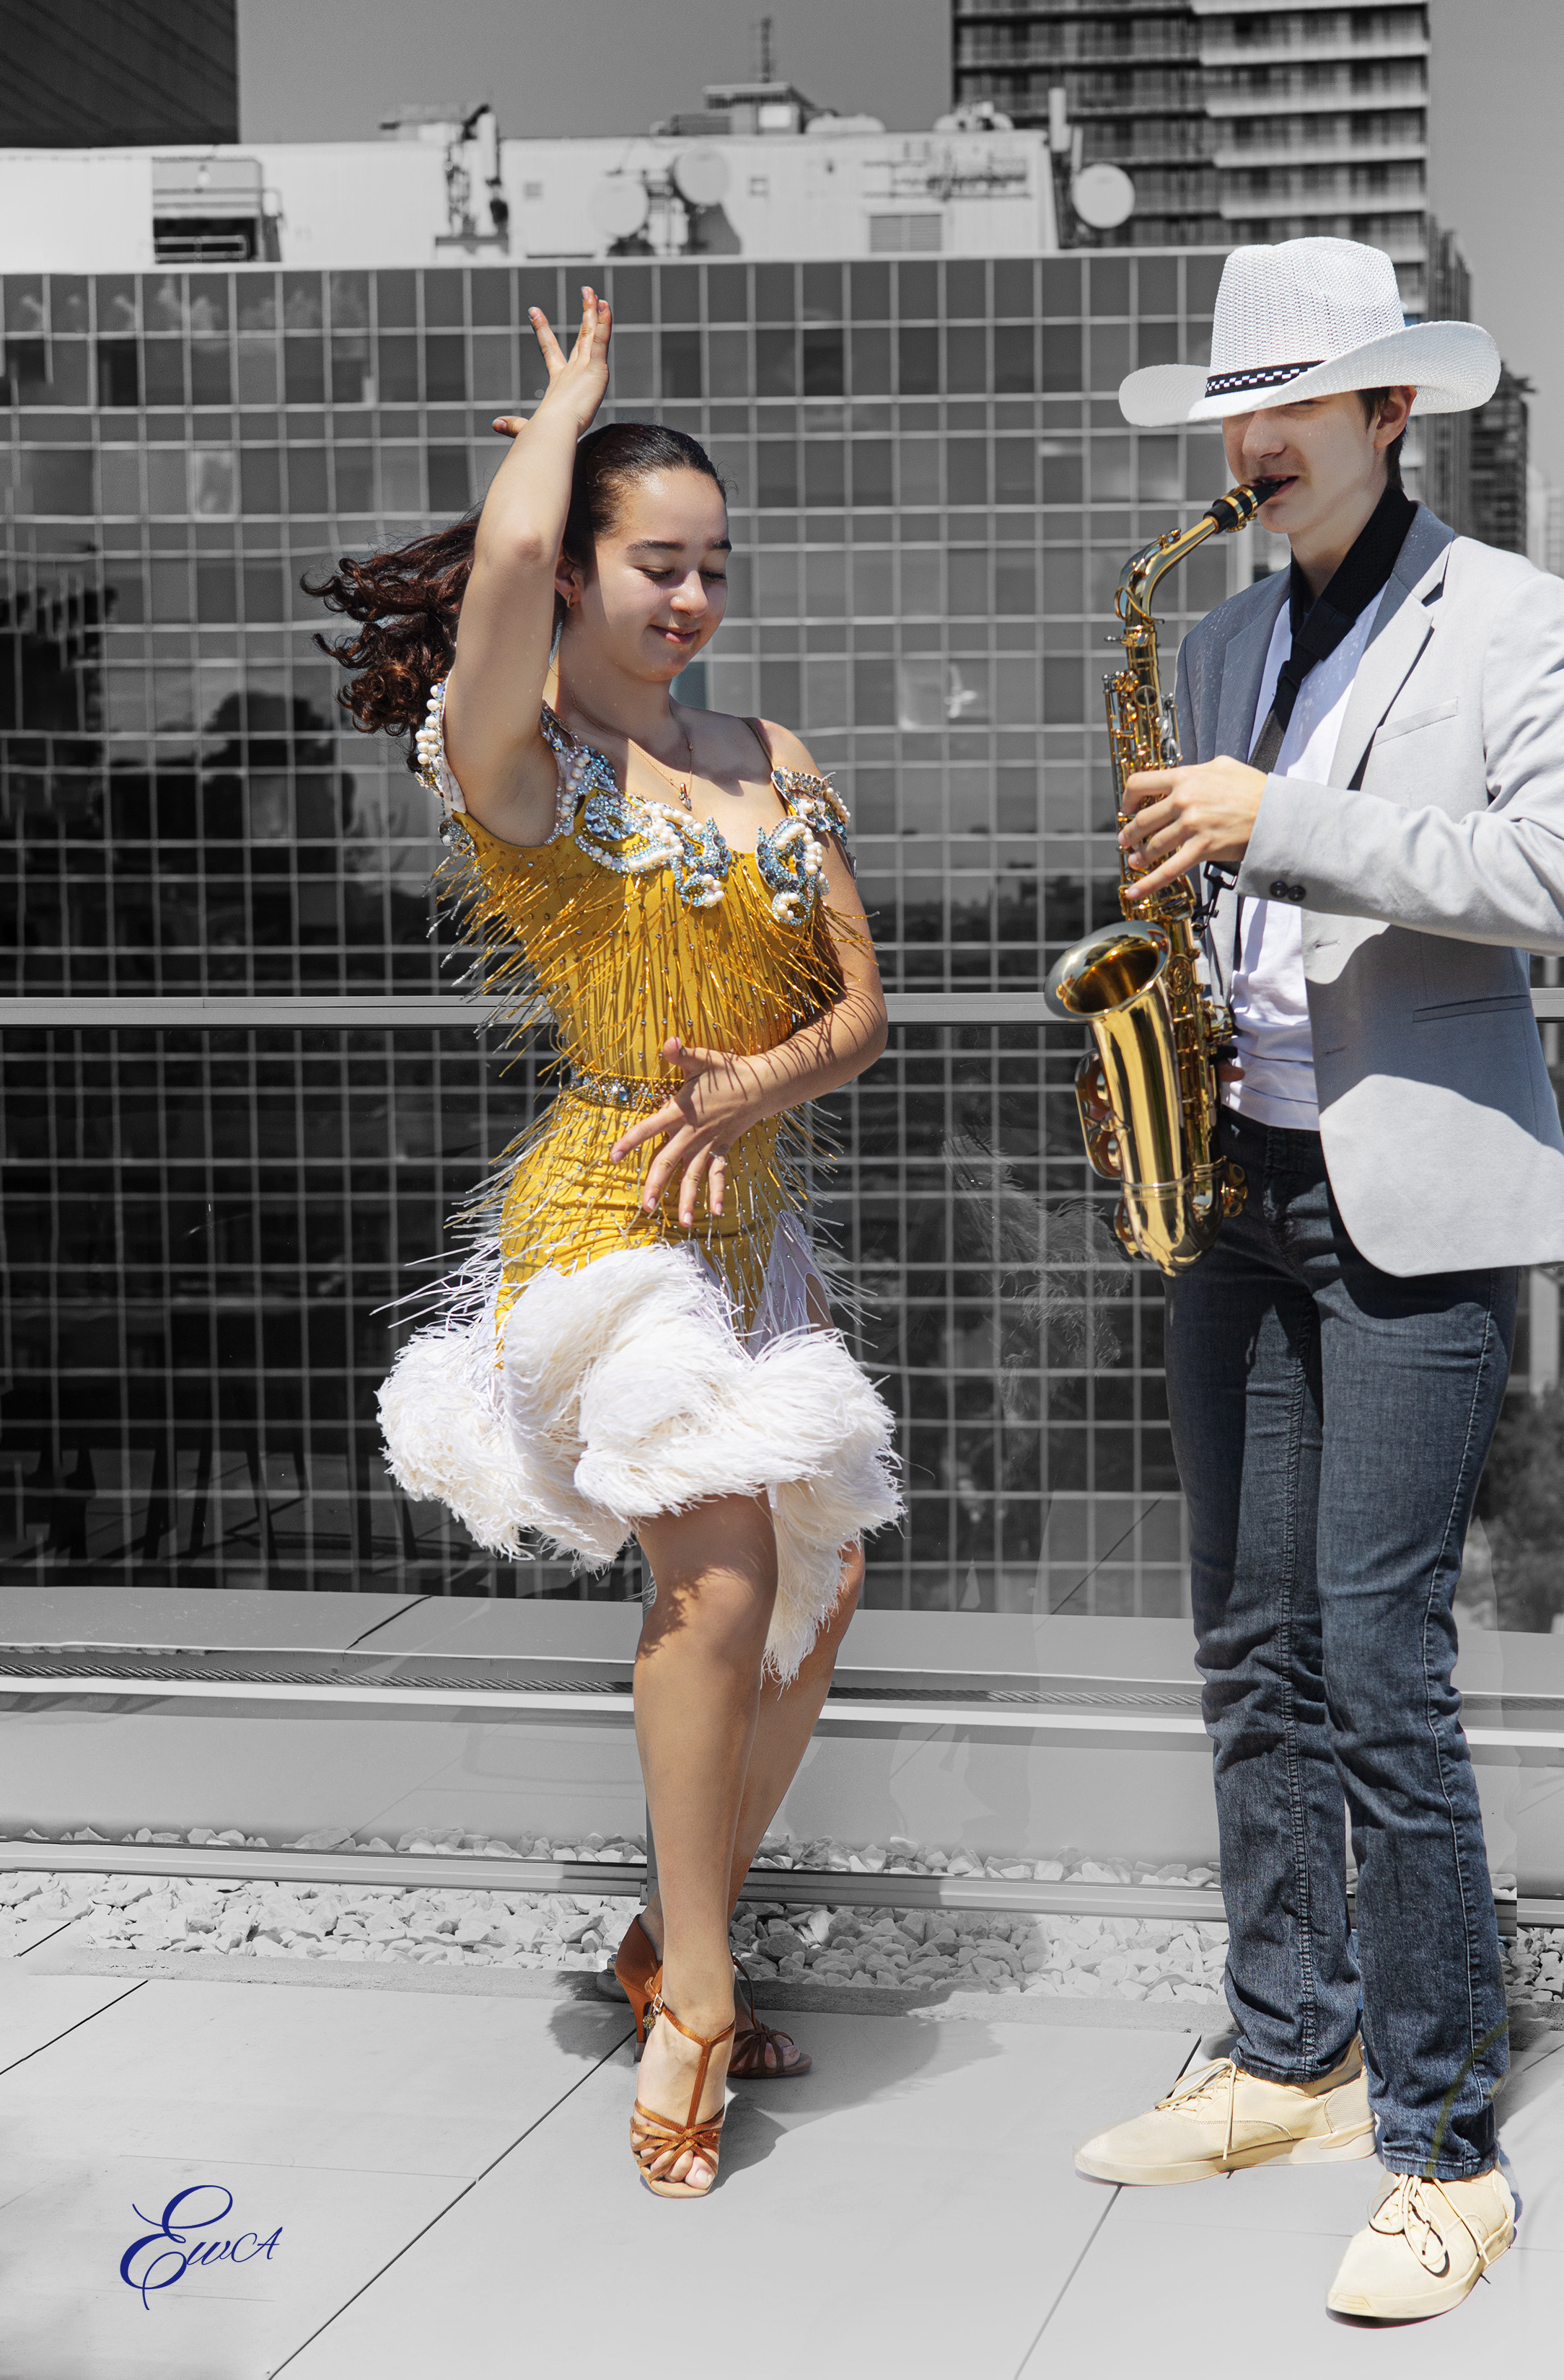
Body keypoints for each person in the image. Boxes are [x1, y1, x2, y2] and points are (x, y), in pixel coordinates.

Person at [1072, 238, 1564, 2321]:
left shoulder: (1515, 619)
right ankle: (1290, 2043)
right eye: (1238, 402)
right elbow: (1211, 892)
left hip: (1414, 1198)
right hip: (1235, 1172)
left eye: (1297, 399)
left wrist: (1282, 820)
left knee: (1383, 1663)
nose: (1255, 437)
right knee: (1250, 1640)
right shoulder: (1208, 645)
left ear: (1397, 410)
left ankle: (1446, 2142)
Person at [311, 288, 901, 2199]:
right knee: (721, 1566)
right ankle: (701, 1994)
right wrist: (557, 419)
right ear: (575, 575)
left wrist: (759, 1082)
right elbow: (492, 578)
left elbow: (864, 1011)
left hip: (750, 1227)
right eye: (658, 563)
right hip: (606, 1226)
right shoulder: (529, 767)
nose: (695, 597)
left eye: (715, 566)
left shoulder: (769, 751)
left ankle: (670, 1935)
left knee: (819, 1588)